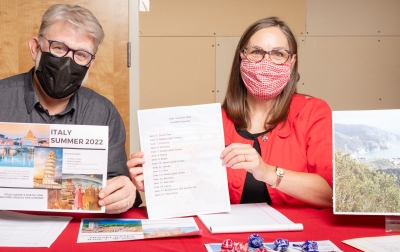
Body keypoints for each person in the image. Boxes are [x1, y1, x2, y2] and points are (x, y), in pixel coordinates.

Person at [0, 4, 141, 213]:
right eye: (58, 48)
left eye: (81, 54)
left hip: (74, 235)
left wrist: (126, 194)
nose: (67, 62)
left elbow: (118, 188)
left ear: (90, 64)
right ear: (35, 48)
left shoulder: (103, 114)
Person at [127, 17, 332, 208]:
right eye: (256, 52)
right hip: (228, 241)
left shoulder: (314, 112)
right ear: (242, 57)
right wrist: (157, 182)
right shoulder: (212, 123)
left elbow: (332, 195)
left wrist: (267, 172)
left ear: (292, 61)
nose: (266, 62)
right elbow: (193, 194)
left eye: (278, 54)